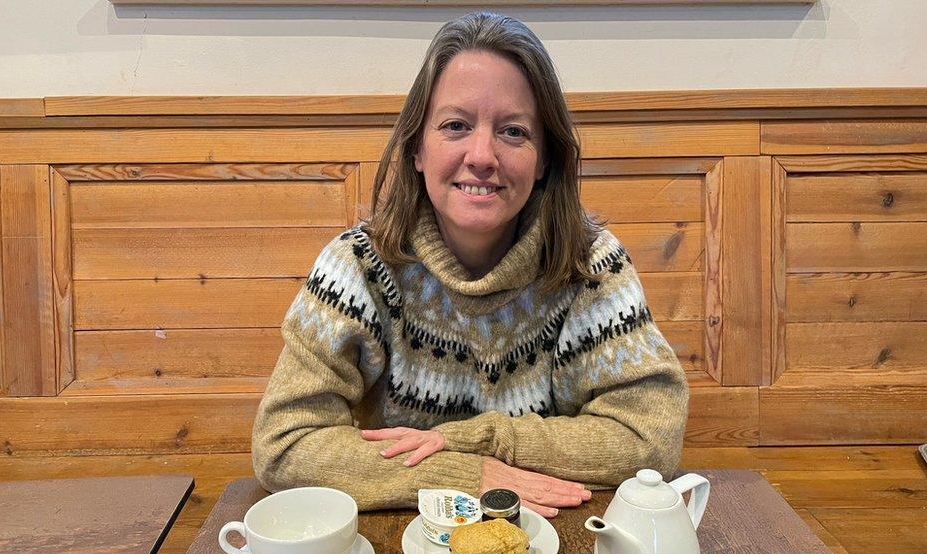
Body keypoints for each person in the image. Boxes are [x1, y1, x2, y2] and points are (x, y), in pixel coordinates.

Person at [252, 11, 688, 518]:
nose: (481, 156)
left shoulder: (591, 267)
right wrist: (465, 476)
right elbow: (284, 443)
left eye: (512, 132)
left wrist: (483, 441)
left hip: (556, 538)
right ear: (417, 147)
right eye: (455, 126)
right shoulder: (358, 267)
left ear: (545, 157)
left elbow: (649, 436)